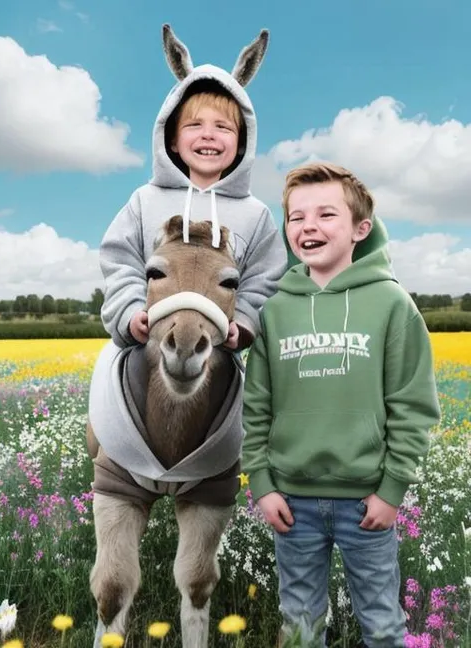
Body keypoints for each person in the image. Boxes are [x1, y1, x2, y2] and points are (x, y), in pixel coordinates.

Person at [242, 162, 440, 647]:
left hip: (366, 503)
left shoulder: (392, 304)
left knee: (381, 623)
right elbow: (256, 406)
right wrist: (263, 484)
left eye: (326, 214)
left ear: (360, 229)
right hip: (291, 502)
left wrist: (392, 489)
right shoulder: (275, 309)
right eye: (296, 217)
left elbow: (413, 406)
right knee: (301, 628)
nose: (308, 226)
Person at [99, 26, 286, 353]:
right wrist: (129, 313)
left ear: (242, 142)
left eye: (223, 127)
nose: (209, 136)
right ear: (171, 137)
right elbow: (120, 262)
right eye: (194, 125)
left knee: (245, 396)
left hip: (217, 352)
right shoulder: (145, 202)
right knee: (113, 379)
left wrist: (242, 324)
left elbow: (264, 280)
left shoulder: (255, 215)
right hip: (150, 346)